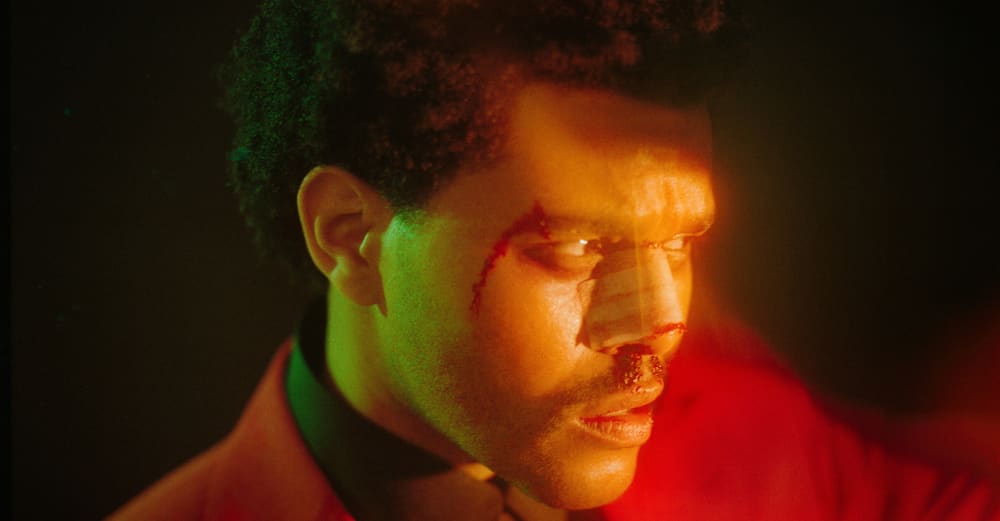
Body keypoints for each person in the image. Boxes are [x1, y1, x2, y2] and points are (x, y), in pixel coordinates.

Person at [109, 1, 998, 519]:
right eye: (575, 247)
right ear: (348, 233)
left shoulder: (763, 440)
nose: (662, 320)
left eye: (681, 242)